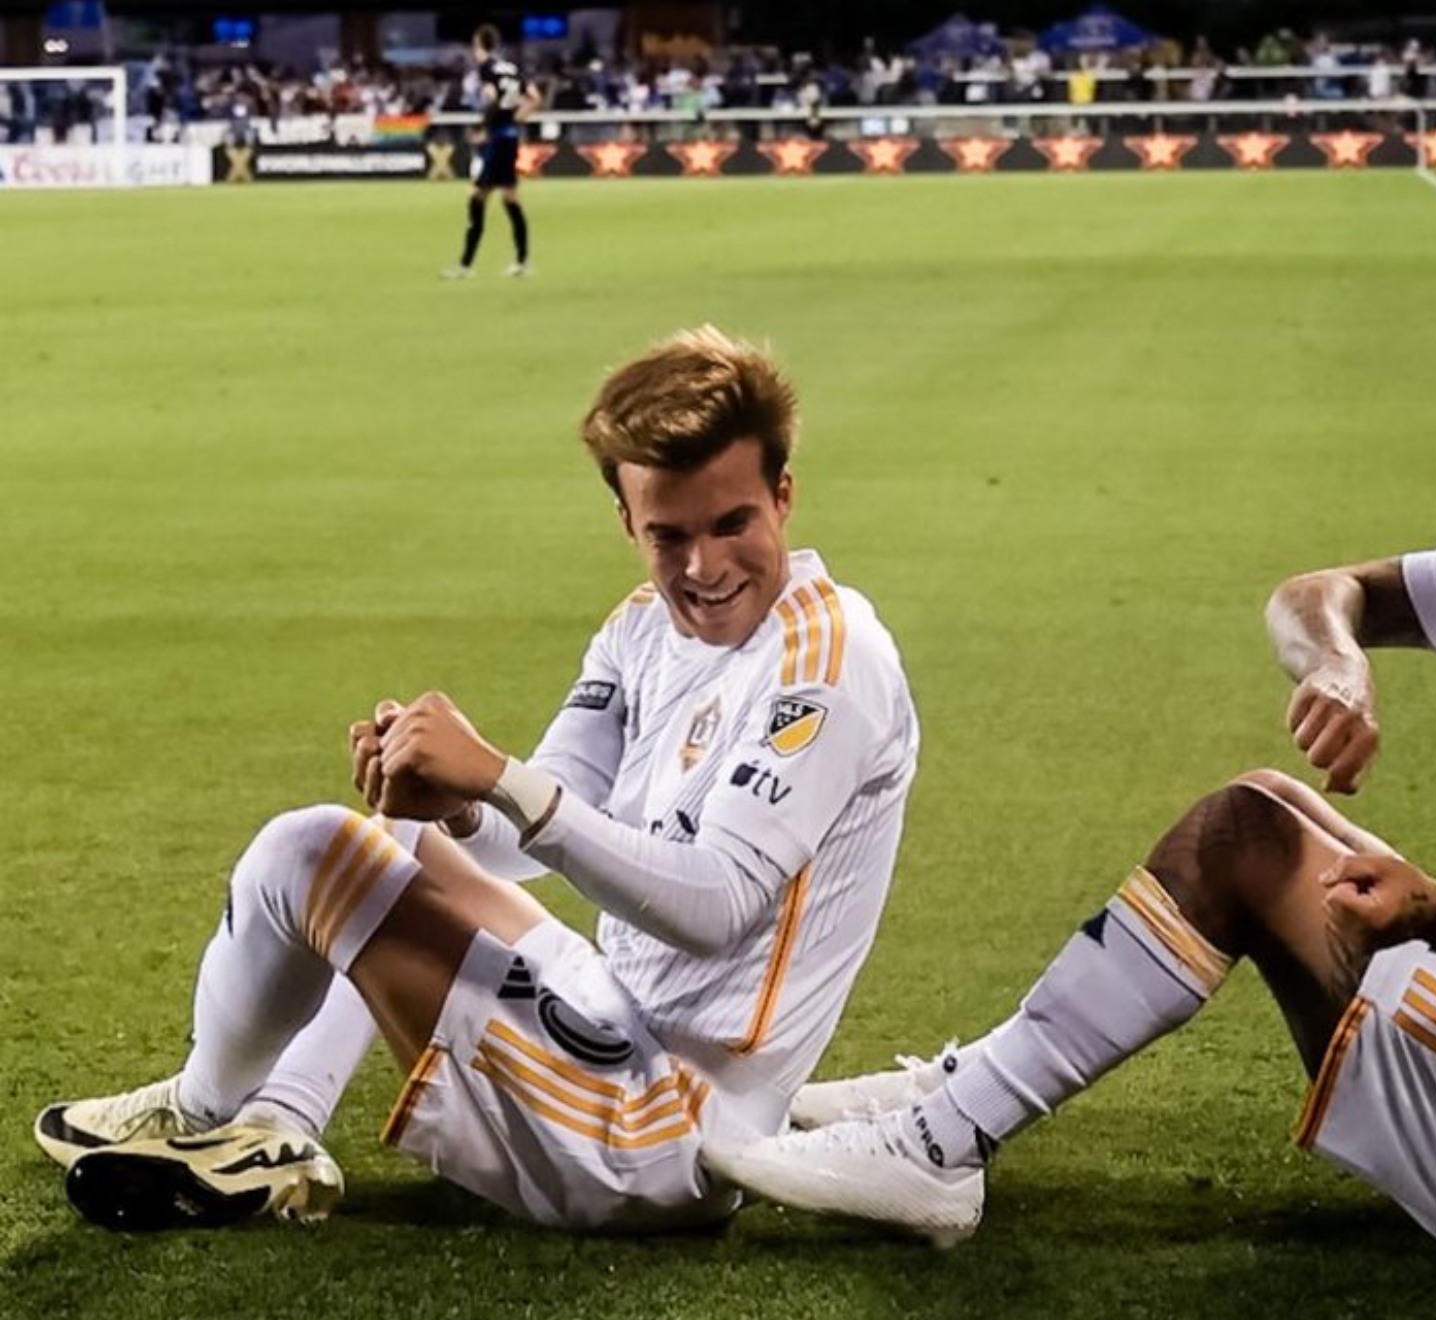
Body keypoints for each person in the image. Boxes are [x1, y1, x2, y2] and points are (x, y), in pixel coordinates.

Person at [705, 340, 1436, 1262]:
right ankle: (967, 1101)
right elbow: (1316, 594)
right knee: (1264, 806)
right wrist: (1337, 663)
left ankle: (943, 1146)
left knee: (1247, 839)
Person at [35, 326, 922, 1234]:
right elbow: (524, 834)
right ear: (627, 522)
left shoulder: (828, 653)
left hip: (669, 1134)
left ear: (783, 495)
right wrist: (459, 803)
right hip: (613, 1021)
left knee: (311, 852)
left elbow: (718, 905)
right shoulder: (642, 630)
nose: (703, 568)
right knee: (397, 838)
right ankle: (263, 1124)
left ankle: (215, 1109)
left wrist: (503, 779)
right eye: (669, 535)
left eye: (733, 523)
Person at [443, 24, 540, 280]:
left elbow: (492, 97)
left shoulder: (486, 69)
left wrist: (486, 126)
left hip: (498, 140)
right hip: (510, 138)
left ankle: (465, 266)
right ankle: (521, 261)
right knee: (510, 198)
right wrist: (516, 120)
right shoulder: (511, 67)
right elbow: (534, 97)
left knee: (477, 196)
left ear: (479, 44)